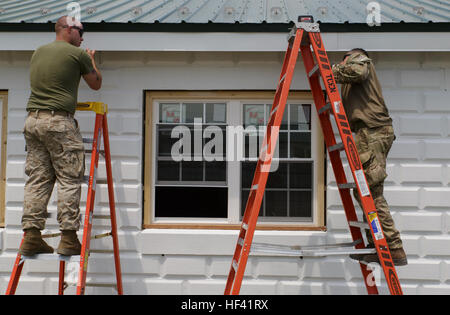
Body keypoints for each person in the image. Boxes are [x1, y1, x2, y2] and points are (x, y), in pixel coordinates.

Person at [19, 16, 102, 256]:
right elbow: (96, 83)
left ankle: (32, 236)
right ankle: (68, 238)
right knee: (69, 178)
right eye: (81, 31)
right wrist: (92, 60)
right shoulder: (78, 54)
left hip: (33, 122)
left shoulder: (38, 52)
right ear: (67, 29)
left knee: (38, 178)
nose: (83, 36)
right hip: (58, 122)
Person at [332, 48, 407, 266]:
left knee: (371, 193)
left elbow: (358, 71)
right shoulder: (349, 84)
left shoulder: (358, 59)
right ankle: (376, 243)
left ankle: (393, 247)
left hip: (373, 132)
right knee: (364, 192)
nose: (342, 64)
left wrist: (331, 71)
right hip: (368, 133)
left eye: (343, 61)